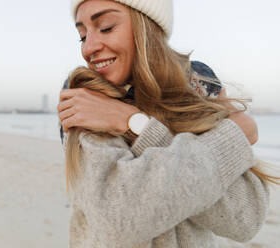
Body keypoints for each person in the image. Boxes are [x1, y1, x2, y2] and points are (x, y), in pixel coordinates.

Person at [57, 0, 276, 247]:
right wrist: (229, 139)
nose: (89, 48)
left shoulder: (198, 85)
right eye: (82, 36)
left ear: (148, 25)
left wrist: (134, 124)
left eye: (106, 27)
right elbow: (121, 221)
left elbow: (246, 218)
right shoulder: (86, 96)